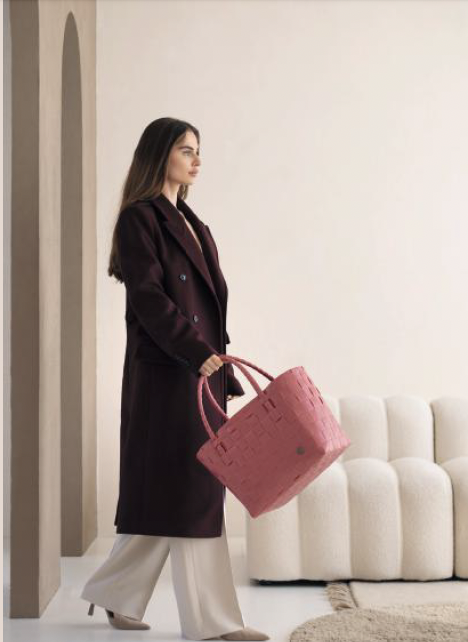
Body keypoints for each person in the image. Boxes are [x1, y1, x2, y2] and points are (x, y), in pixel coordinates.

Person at [80, 117, 269, 641]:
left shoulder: (193, 223)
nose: (196, 160)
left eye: (197, 151)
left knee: (173, 493)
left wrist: (216, 365)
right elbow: (148, 298)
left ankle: (112, 593)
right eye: (186, 150)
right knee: (193, 493)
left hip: (200, 374)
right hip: (169, 374)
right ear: (159, 153)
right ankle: (213, 623)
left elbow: (209, 307)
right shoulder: (139, 219)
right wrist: (195, 351)